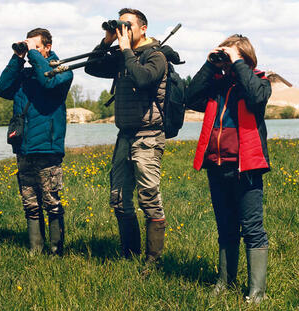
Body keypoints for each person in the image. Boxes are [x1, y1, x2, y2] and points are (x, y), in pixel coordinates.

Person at [186, 34, 272, 303]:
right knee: (225, 226)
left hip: (246, 166)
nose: (227, 62)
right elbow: (190, 97)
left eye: (232, 56)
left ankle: (257, 292)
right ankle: (225, 282)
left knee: (252, 227)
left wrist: (237, 63)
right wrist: (210, 64)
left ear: (245, 59)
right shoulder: (217, 86)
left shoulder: (259, 81)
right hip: (217, 164)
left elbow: (257, 98)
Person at [85, 8, 167, 266]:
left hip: (148, 135)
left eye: (128, 25)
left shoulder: (157, 56)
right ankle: (129, 256)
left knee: (149, 198)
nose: (124, 30)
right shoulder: (122, 55)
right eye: (121, 25)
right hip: (125, 135)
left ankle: (152, 262)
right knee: (119, 199)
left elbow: (142, 79)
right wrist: (107, 41)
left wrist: (126, 51)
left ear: (143, 28)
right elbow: (91, 68)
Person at [0, 28, 73, 255]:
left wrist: (34, 55)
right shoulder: (26, 74)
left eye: (36, 47)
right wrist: (17, 58)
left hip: (47, 147)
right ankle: (35, 251)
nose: (32, 53)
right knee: (30, 202)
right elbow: (2, 89)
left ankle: (57, 252)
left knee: (51, 202)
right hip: (24, 147)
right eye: (30, 48)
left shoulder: (63, 71)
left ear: (47, 47)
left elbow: (48, 83)